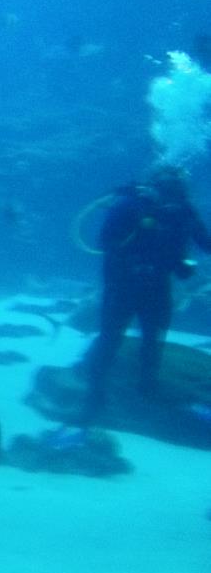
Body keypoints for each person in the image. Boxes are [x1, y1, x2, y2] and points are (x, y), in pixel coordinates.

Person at [79, 163, 211, 424]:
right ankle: (96, 397)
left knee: (148, 341)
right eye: (170, 189)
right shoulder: (134, 204)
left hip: (150, 288)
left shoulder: (183, 211)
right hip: (126, 286)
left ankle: (143, 391)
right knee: (114, 340)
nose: (173, 196)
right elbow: (106, 242)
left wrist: (178, 262)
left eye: (177, 190)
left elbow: (206, 244)